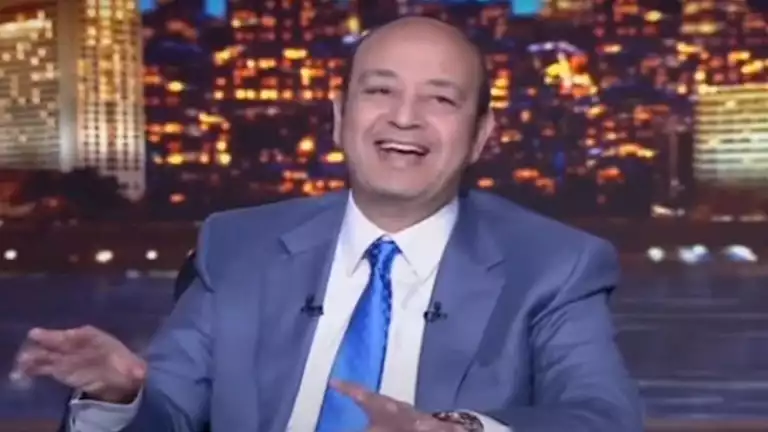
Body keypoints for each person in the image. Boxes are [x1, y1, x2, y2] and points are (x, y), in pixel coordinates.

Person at [11, 16, 643, 432]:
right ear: (340, 116)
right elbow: (169, 415)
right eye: (380, 91)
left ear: (481, 136)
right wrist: (119, 396)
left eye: (440, 99)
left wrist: (456, 429)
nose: (404, 118)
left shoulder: (555, 266)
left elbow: (603, 418)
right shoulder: (237, 247)